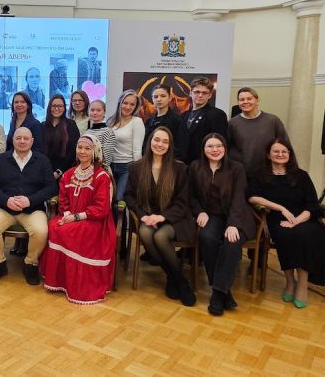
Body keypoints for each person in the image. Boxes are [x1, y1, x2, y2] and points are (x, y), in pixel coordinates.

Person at [247, 138, 325, 309]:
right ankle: (289, 282)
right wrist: (281, 208)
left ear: (289, 154)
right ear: (268, 154)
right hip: (277, 220)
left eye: (284, 151)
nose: (280, 154)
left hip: (304, 219)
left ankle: (302, 283)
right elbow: (252, 197)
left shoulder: (301, 176)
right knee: (287, 235)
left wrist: (296, 220)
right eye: (276, 151)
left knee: (306, 235)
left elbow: (312, 205)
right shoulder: (260, 175)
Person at [124, 127, 196, 306]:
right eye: (157, 140)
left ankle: (176, 281)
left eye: (165, 141)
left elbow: (183, 202)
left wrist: (162, 217)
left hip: (175, 218)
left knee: (160, 236)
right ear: (150, 141)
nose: (160, 144)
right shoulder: (136, 167)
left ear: (170, 145)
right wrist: (143, 216)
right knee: (146, 233)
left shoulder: (180, 168)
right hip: (148, 216)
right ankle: (177, 278)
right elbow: (129, 196)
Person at [40, 134, 116, 304]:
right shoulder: (68, 174)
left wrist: (76, 217)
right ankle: (61, 281)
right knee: (54, 226)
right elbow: (63, 200)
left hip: (95, 221)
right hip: (71, 217)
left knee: (71, 230)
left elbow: (101, 208)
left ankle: (80, 286)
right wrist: (67, 214)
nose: (82, 151)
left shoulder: (101, 176)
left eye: (87, 148)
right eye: (79, 147)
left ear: (95, 152)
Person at [188, 133, 254, 315]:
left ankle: (217, 294)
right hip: (212, 215)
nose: (215, 149)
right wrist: (200, 211)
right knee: (207, 237)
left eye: (219, 146)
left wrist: (233, 224)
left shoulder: (236, 168)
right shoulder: (195, 167)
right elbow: (191, 196)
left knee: (231, 242)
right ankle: (225, 293)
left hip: (238, 216)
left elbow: (239, 198)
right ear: (203, 149)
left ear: (225, 148)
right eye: (210, 146)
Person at [0, 127, 57, 285]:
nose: (22, 141)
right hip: (5, 209)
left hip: (32, 210)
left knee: (41, 231)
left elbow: (51, 188)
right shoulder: (1, 160)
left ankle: (30, 264)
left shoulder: (42, 161)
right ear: (13, 140)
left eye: (26, 138)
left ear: (32, 141)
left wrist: (30, 200)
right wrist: (6, 200)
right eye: (18, 138)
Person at [227, 87, 289, 174]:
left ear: (257, 100)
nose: (245, 102)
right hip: (241, 173)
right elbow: (227, 148)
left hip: (268, 172)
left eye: (249, 99)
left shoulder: (272, 120)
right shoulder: (232, 123)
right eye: (242, 99)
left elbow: (285, 145)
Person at [106, 90, 145, 201]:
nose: (128, 107)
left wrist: (138, 173)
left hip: (127, 168)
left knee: (119, 200)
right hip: (110, 167)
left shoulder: (137, 121)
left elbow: (137, 150)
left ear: (136, 107)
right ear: (120, 102)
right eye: (125, 103)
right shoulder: (111, 121)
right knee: (108, 199)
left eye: (132, 104)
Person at [181, 77, 227, 164]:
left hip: (204, 163)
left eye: (204, 93)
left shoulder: (217, 115)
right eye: (197, 92)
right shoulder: (183, 116)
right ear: (190, 93)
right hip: (184, 163)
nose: (200, 95)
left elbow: (220, 143)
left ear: (210, 95)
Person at [143, 84, 188, 161]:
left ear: (170, 97)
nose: (159, 99)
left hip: (169, 162)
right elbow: (145, 146)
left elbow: (181, 148)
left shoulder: (177, 121)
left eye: (163, 96)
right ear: (152, 99)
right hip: (149, 162)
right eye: (155, 97)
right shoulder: (148, 122)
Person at [42, 95, 81, 181]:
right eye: (54, 106)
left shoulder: (71, 125)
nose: (57, 108)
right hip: (45, 172)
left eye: (60, 106)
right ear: (49, 107)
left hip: (66, 172)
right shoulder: (42, 126)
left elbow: (74, 150)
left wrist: (59, 171)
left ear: (64, 108)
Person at [86, 100, 117, 170]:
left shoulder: (108, 132)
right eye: (92, 110)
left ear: (104, 112)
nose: (95, 113)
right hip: (86, 168)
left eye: (98, 110)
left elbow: (107, 159)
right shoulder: (87, 132)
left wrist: (96, 170)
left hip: (100, 170)